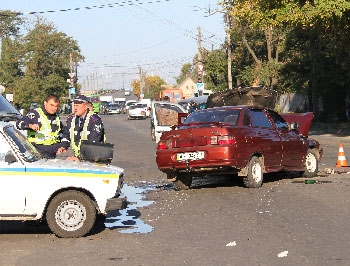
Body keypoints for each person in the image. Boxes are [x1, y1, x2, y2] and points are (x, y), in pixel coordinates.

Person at [58, 95, 105, 161]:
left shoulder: (95, 119)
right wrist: (63, 146)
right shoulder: (71, 119)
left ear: (85, 107)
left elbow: (93, 143)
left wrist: (80, 158)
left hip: (94, 158)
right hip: (79, 158)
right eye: (74, 105)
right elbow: (66, 135)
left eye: (78, 106)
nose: (75, 108)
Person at [16, 94, 64, 159]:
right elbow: (19, 123)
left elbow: (61, 132)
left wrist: (61, 146)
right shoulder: (35, 114)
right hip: (38, 154)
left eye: (56, 106)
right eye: (51, 105)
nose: (53, 108)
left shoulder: (56, 117)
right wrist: (31, 125)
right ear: (45, 103)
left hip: (52, 154)